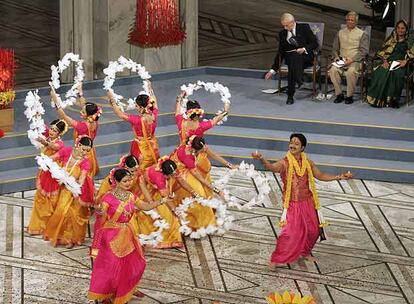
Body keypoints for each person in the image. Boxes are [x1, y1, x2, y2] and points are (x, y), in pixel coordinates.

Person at [252, 133, 352, 270]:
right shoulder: (285, 162)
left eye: (296, 143)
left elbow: (320, 175)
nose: (292, 145)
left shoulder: (308, 163)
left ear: (302, 147)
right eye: (291, 142)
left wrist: (339, 177)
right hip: (292, 203)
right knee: (289, 233)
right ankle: (276, 259)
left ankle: (304, 252)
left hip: (308, 201)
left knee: (313, 230)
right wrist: (262, 159)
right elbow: (272, 168)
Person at [88, 168, 164, 304]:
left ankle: (127, 289)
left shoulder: (131, 196)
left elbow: (145, 207)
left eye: (130, 180)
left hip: (128, 234)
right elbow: (101, 220)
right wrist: (99, 213)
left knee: (134, 264)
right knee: (111, 268)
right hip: (110, 236)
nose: (129, 183)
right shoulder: (107, 198)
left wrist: (161, 201)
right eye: (125, 181)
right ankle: (107, 294)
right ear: (116, 181)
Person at [43, 135, 95, 248]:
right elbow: (51, 158)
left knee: (73, 214)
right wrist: (53, 169)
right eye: (83, 149)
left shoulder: (86, 162)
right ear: (78, 145)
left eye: (88, 150)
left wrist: (74, 185)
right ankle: (60, 236)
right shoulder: (67, 151)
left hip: (76, 190)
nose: (85, 152)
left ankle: (70, 239)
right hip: (62, 187)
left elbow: (81, 179)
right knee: (60, 211)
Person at [171, 136, 232, 231]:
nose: (204, 150)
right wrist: (218, 191)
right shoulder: (188, 158)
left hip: (187, 170)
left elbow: (212, 154)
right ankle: (200, 224)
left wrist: (229, 165)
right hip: (182, 176)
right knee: (199, 195)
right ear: (194, 149)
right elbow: (201, 179)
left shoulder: (193, 142)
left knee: (205, 190)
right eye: (201, 150)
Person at [175, 94, 230, 195]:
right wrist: (225, 112)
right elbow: (215, 120)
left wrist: (179, 99)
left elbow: (177, 112)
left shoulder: (180, 121)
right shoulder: (201, 127)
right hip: (196, 158)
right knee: (200, 179)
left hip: (181, 156)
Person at [264, 13, 318, 104]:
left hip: (306, 57)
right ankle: (297, 82)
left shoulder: (304, 27)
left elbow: (314, 43)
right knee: (293, 59)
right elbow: (280, 52)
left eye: (286, 25)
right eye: (283, 26)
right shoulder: (282, 34)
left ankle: (291, 94)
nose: (285, 28)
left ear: (292, 22)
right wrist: (272, 70)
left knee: (294, 60)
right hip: (292, 59)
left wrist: (304, 49)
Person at [51, 84, 101, 176]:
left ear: (89, 115)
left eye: (83, 112)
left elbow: (64, 116)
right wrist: (80, 93)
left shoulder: (82, 127)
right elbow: (84, 105)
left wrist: (56, 102)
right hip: (90, 151)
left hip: (81, 153)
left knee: (78, 176)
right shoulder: (94, 121)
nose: (80, 112)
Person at [28, 119, 68, 235]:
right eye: (51, 128)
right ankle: (38, 225)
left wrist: (44, 142)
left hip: (52, 174)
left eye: (55, 130)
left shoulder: (60, 143)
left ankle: (48, 224)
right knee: (40, 197)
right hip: (44, 171)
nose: (51, 131)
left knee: (51, 200)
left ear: (59, 133)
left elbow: (53, 146)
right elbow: (40, 124)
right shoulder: (48, 135)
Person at [108, 80, 159, 170]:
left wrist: (112, 102)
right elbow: (154, 102)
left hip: (140, 148)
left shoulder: (137, 120)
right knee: (151, 167)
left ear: (142, 107)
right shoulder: (154, 114)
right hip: (153, 146)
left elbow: (120, 114)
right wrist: (150, 88)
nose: (136, 108)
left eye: (136, 106)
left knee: (138, 169)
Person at [137, 157, 184, 248]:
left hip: (157, 190)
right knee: (167, 215)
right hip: (149, 191)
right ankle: (167, 240)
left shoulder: (169, 167)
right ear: (165, 174)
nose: (174, 176)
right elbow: (165, 197)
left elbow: (180, 180)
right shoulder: (159, 178)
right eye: (171, 175)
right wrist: (175, 211)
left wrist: (194, 193)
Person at [367, 20, 414, 108]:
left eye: (403, 28)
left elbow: (412, 54)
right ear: (396, 28)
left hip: (401, 64)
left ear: (406, 29)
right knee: (381, 72)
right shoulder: (391, 38)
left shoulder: (410, 41)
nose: (400, 30)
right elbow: (383, 52)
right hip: (388, 62)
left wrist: (405, 61)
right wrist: (384, 61)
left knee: (396, 74)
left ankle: (393, 100)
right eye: (398, 28)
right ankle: (379, 100)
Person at [329, 11, 369, 104]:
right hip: (342, 60)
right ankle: (339, 94)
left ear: (356, 22)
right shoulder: (340, 32)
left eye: (352, 20)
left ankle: (349, 96)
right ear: (346, 21)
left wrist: (352, 59)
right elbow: (335, 48)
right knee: (333, 70)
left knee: (350, 72)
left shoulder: (362, 34)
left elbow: (364, 51)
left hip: (355, 60)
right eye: (348, 20)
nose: (350, 22)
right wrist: (336, 57)